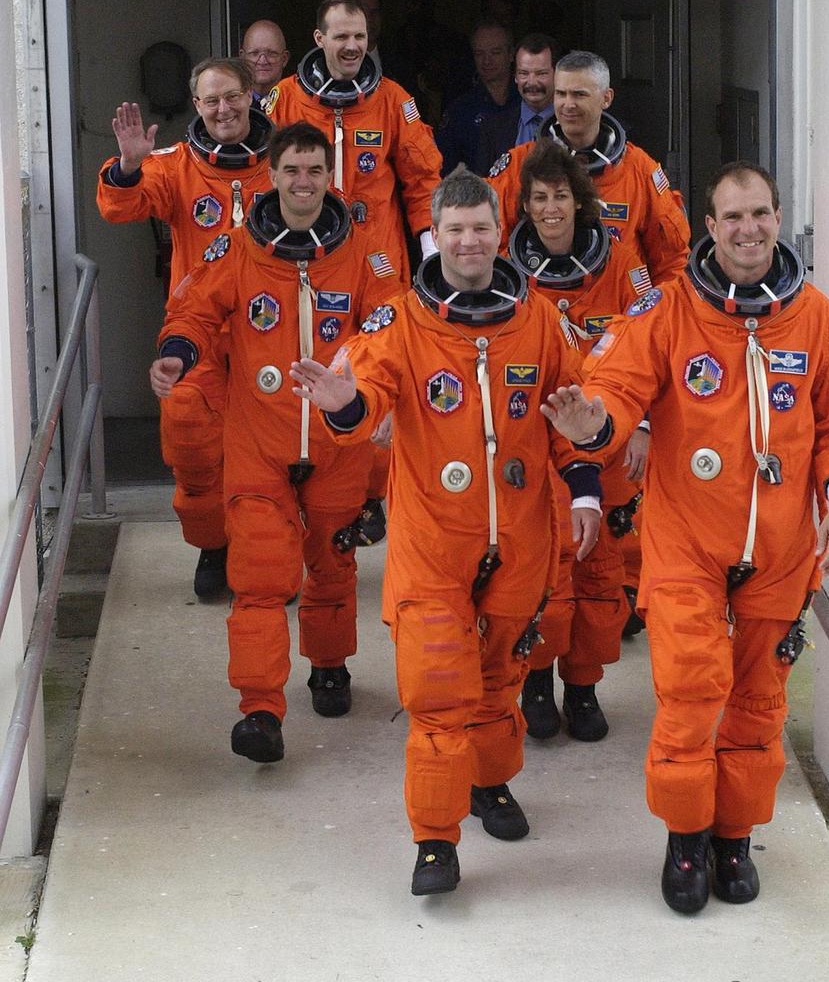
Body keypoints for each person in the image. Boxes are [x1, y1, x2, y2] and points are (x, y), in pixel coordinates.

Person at [541, 163, 829, 915]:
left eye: (760, 214)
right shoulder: (668, 310)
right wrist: (590, 427)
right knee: (692, 695)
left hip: (783, 547)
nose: (748, 229)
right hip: (688, 541)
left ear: (778, 217)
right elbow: (617, 389)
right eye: (732, 217)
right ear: (711, 226)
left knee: (758, 704)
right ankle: (686, 837)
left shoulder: (815, 317)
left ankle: (733, 837)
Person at [290, 169, 603, 897]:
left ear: (501, 232)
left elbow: (572, 417)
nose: (469, 241)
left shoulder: (539, 322)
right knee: (438, 690)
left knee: (497, 683)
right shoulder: (398, 323)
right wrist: (343, 404)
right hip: (434, 544)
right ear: (437, 235)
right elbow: (366, 406)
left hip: (519, 542)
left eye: (481, 228)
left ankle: (489, 784)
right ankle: (435, 841)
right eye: (456, 229)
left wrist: (585, 492)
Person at [149, 123, 399, 763]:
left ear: (329, 177)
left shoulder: (366, 254)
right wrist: (176, 357)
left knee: (332, 565)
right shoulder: (237, 250)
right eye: (292, 171)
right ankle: (260, 710)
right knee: (259, 577)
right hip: (259, 442)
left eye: (315, 170)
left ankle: (329, 662)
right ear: (274, 175)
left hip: (337, 444)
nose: (304, 182)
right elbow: (194, 313)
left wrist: (364, 395)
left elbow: (389, 328)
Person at [98, 57, 272, 597]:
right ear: (196, 105)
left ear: (251, 96)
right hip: (198, 332)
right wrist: (128, 166)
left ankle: (270, 551)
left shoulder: (289, 162)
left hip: (274, 330)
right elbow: (121, 208)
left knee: (275, 454)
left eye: (233, 96)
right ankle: (213, 546)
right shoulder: (175, 165)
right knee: (192, 439)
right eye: (211, 99)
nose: (223, 109)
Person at [506, 140, 653, 741]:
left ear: (580, 200)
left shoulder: (620, 264)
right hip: (537, 447)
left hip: (608, 440)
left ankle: (585, 687)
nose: (550, 209)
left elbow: (654, 342)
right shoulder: (506, 270)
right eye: (538, 197)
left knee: (600, 579)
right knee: (546, 579)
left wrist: (643, 424)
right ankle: (537, 681)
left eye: (561, 196)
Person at [265, 0, 442, 288]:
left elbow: (423, 179)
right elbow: (260, 178)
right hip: (305, 253)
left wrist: (431, 248)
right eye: (342, 36)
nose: (352, 46)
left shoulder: (392, 99)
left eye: (360, 36)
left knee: (386, 332)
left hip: (379, 256)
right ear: (320, 38)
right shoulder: (286, 98)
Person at [486, 51, 691, 285]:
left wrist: (653, 315)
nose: (568, 105)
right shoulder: (520, 166)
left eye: (579, 94)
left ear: (606, 98)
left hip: (617, 308)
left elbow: (672, 261)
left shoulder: (638, 169)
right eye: (561, 94)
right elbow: (489, 247)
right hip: (538, 305)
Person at [436, 22, 519, 175]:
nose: (487, 61)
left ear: (511, 54)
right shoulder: (460, 110)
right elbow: (443, 170)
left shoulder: (528, 102)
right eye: (479, 54)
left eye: (495, 52)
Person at [474, 33, 560, 175]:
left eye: (541, 73)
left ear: (557, 74)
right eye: (523, 73)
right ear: (515, 76)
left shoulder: (572, 124)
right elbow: (483, 187)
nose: (532, 82)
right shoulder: (493, 127)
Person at [348, 0, 413, 90]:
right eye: (363, 12)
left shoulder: (398, 61)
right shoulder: (329, 64)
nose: (370, 19)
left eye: (375, 12)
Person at [239, 20, 289, 103]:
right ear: (242, 58)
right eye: (254, 53)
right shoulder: (231, 104)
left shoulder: (299, 103)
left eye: (271, 53)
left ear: (284, 59)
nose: (262, 61)